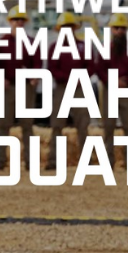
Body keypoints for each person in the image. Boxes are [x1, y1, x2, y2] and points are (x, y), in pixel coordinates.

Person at [0, 6, 40, 171]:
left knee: (27, 126)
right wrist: (1, 78)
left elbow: (37, 63)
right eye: (15, 20)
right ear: (10, 22)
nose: (18, 23)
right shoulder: (1, 42)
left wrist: (35, 76)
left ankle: (30, 163)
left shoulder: (32, 43)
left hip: (26, 87)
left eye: (21, 20)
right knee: (3, 125)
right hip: (8, 88)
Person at [46, 12, 93, 171]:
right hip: (63, 87)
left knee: (83, 124)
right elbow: (52, 68)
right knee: (57, 125)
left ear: (74, 28)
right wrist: (69, 78)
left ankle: (86, 161)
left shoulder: (83, 46)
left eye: (70, 27)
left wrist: (79, 78)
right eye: (64, 27)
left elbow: (91, 65)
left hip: (80, 87)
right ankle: (54, 160)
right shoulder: (54, 48)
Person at [95, 13, 128, 170]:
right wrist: (113, 81)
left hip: (127, 89)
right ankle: (108, 162)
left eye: (122, 28)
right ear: (111, 30)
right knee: (108, 127)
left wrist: (126, 81)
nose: (119, 31)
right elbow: (99, 69)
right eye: (116, 28)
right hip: (109, 90)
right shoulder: (105, 48)